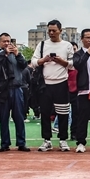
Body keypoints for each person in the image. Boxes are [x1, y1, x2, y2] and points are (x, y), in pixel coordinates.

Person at [31, 19, 75, 152]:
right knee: (44, 113)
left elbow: (73, 64)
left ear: (60, 31)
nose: (51, 33)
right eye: (49, 30)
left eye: (54, 30)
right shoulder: (42, 44)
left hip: (61, 83)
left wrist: (62, 62)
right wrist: (43, 60)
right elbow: (33, 62)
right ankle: (47, 140)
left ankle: (63, 140)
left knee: (63, 113)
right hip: (45, 84)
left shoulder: (67, 45)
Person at [0, 33, 30, 152]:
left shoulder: (15, 54)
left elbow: (24, 65)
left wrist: (17, 54)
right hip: (3, 90)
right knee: (3, 118)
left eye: (8, 41)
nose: (6, 43)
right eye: (4, 41)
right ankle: (5, 143)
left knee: (19, 117)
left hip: (16, 88)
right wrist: (4, 53)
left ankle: (21, 142)